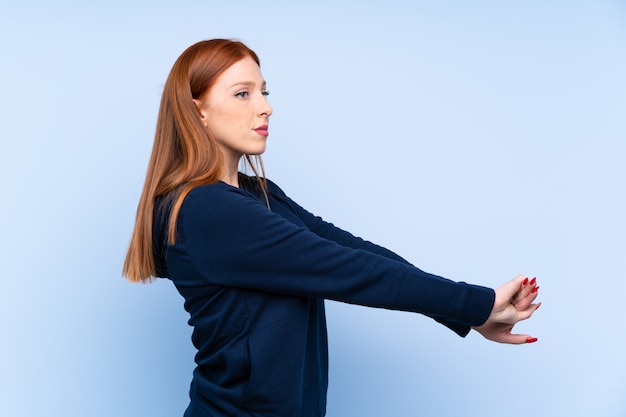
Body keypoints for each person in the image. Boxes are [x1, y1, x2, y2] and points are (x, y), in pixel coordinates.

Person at [123, 39, 541, 417]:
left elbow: (353, 251)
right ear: (199, 109)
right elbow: (350, 272)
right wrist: (475, 303)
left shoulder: (257, 194)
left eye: (264, 91)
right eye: (243, 94)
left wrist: (467, 314)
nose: (265, 106)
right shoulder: (206, 209)